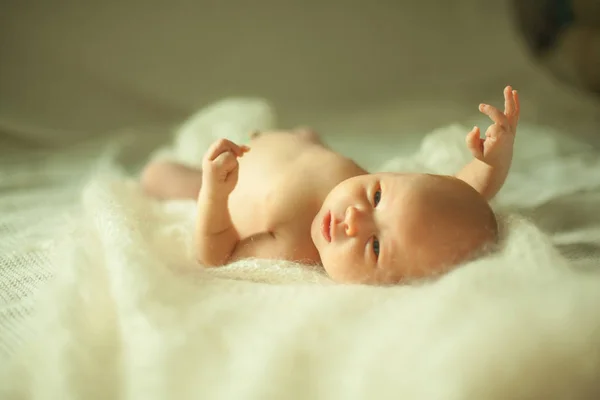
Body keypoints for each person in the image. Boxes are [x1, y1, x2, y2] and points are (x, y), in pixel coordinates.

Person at [142, 86, 520, 285]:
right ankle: (305, 139)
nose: (355, 219)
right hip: (290, 144)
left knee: (161, 176)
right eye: (376, 196)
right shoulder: (361, 186)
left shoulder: (294, 245)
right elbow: (461, 192)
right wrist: (494, 159)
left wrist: (214, 192)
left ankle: (191, 180)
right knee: (309, 137)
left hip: (232, 178)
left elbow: (217, 254)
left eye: (374, 246)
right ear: (394, 176)